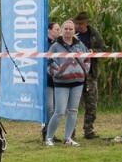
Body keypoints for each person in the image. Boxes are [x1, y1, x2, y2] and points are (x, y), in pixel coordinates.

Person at [44, 19, 89, 147]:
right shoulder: (55, 46)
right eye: (66, 29)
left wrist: (84, 71)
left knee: (73, 110)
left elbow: (87, 59)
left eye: (71, 29)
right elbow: (49, 63)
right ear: (62, 30)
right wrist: (57, 73)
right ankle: (49, 137)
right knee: (59, 111)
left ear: (74, 31)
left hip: (78, 82)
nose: (68, 31)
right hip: (61, 83)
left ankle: (68, 138)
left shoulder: (80, 45)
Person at [73, 11, 108, 139]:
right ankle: (71, 133)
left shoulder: (94, 34)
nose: (79, 26)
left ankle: (88, 130)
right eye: (77, 23)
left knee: (91, 104)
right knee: (73, 105)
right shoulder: (73, 34)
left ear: (86, 23)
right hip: (74, 74)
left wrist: (94, 51)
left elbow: (103, 49)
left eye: (81, 24)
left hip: (90, 75)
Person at [41, 21, 60, 142]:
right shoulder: (43, 44)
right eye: (57, 29)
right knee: (49, 108)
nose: (59, 31)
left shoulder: (59, 44)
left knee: (55, 109)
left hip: (57, 80)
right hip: (47, 80)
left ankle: (51, 133)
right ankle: (46, 133)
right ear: (49, 30)